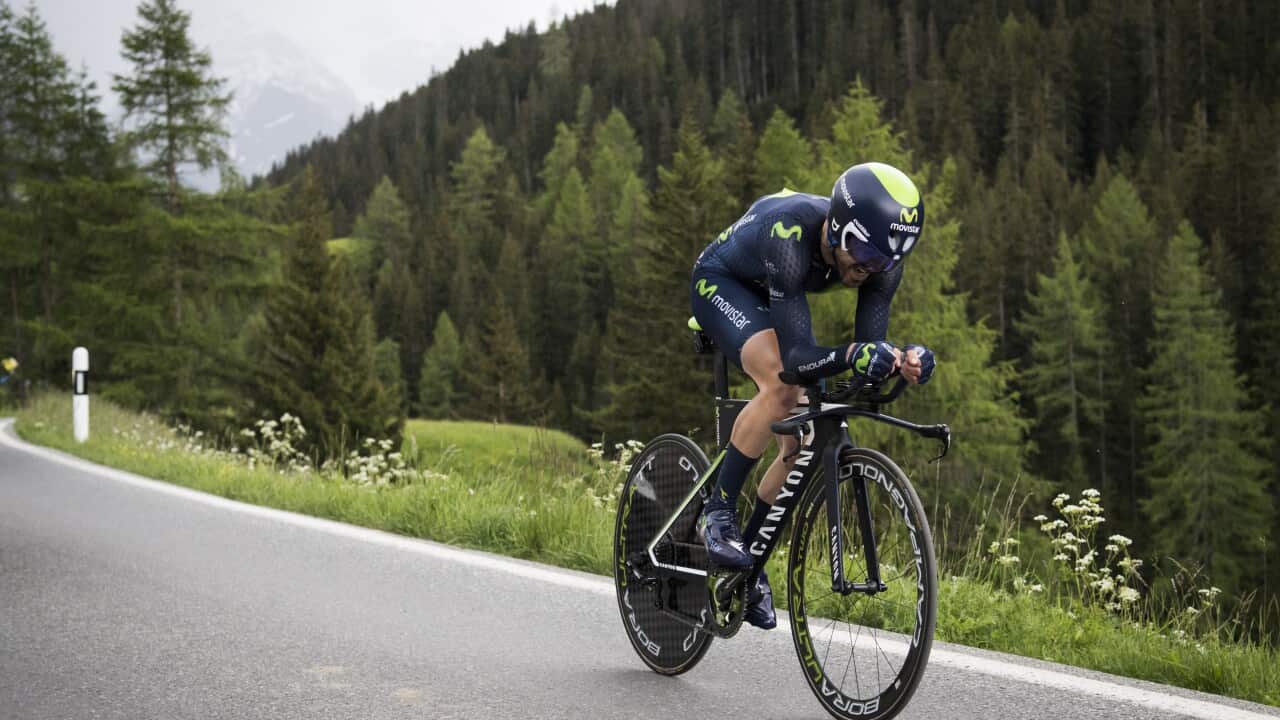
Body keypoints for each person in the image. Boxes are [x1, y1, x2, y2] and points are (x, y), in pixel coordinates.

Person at [689, 162, 937, 630]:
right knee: (783, 388)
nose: (867, 269)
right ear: (838, 225)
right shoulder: (790, 234)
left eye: (883, 261)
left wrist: (902, 362)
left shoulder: (881, 262)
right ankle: (716, 512)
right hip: (723, 283)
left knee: (800, 444)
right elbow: (798, 360)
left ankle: (748, 561)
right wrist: (851, 354)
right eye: (861, 251)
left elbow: (866, 359)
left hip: (779, 296)